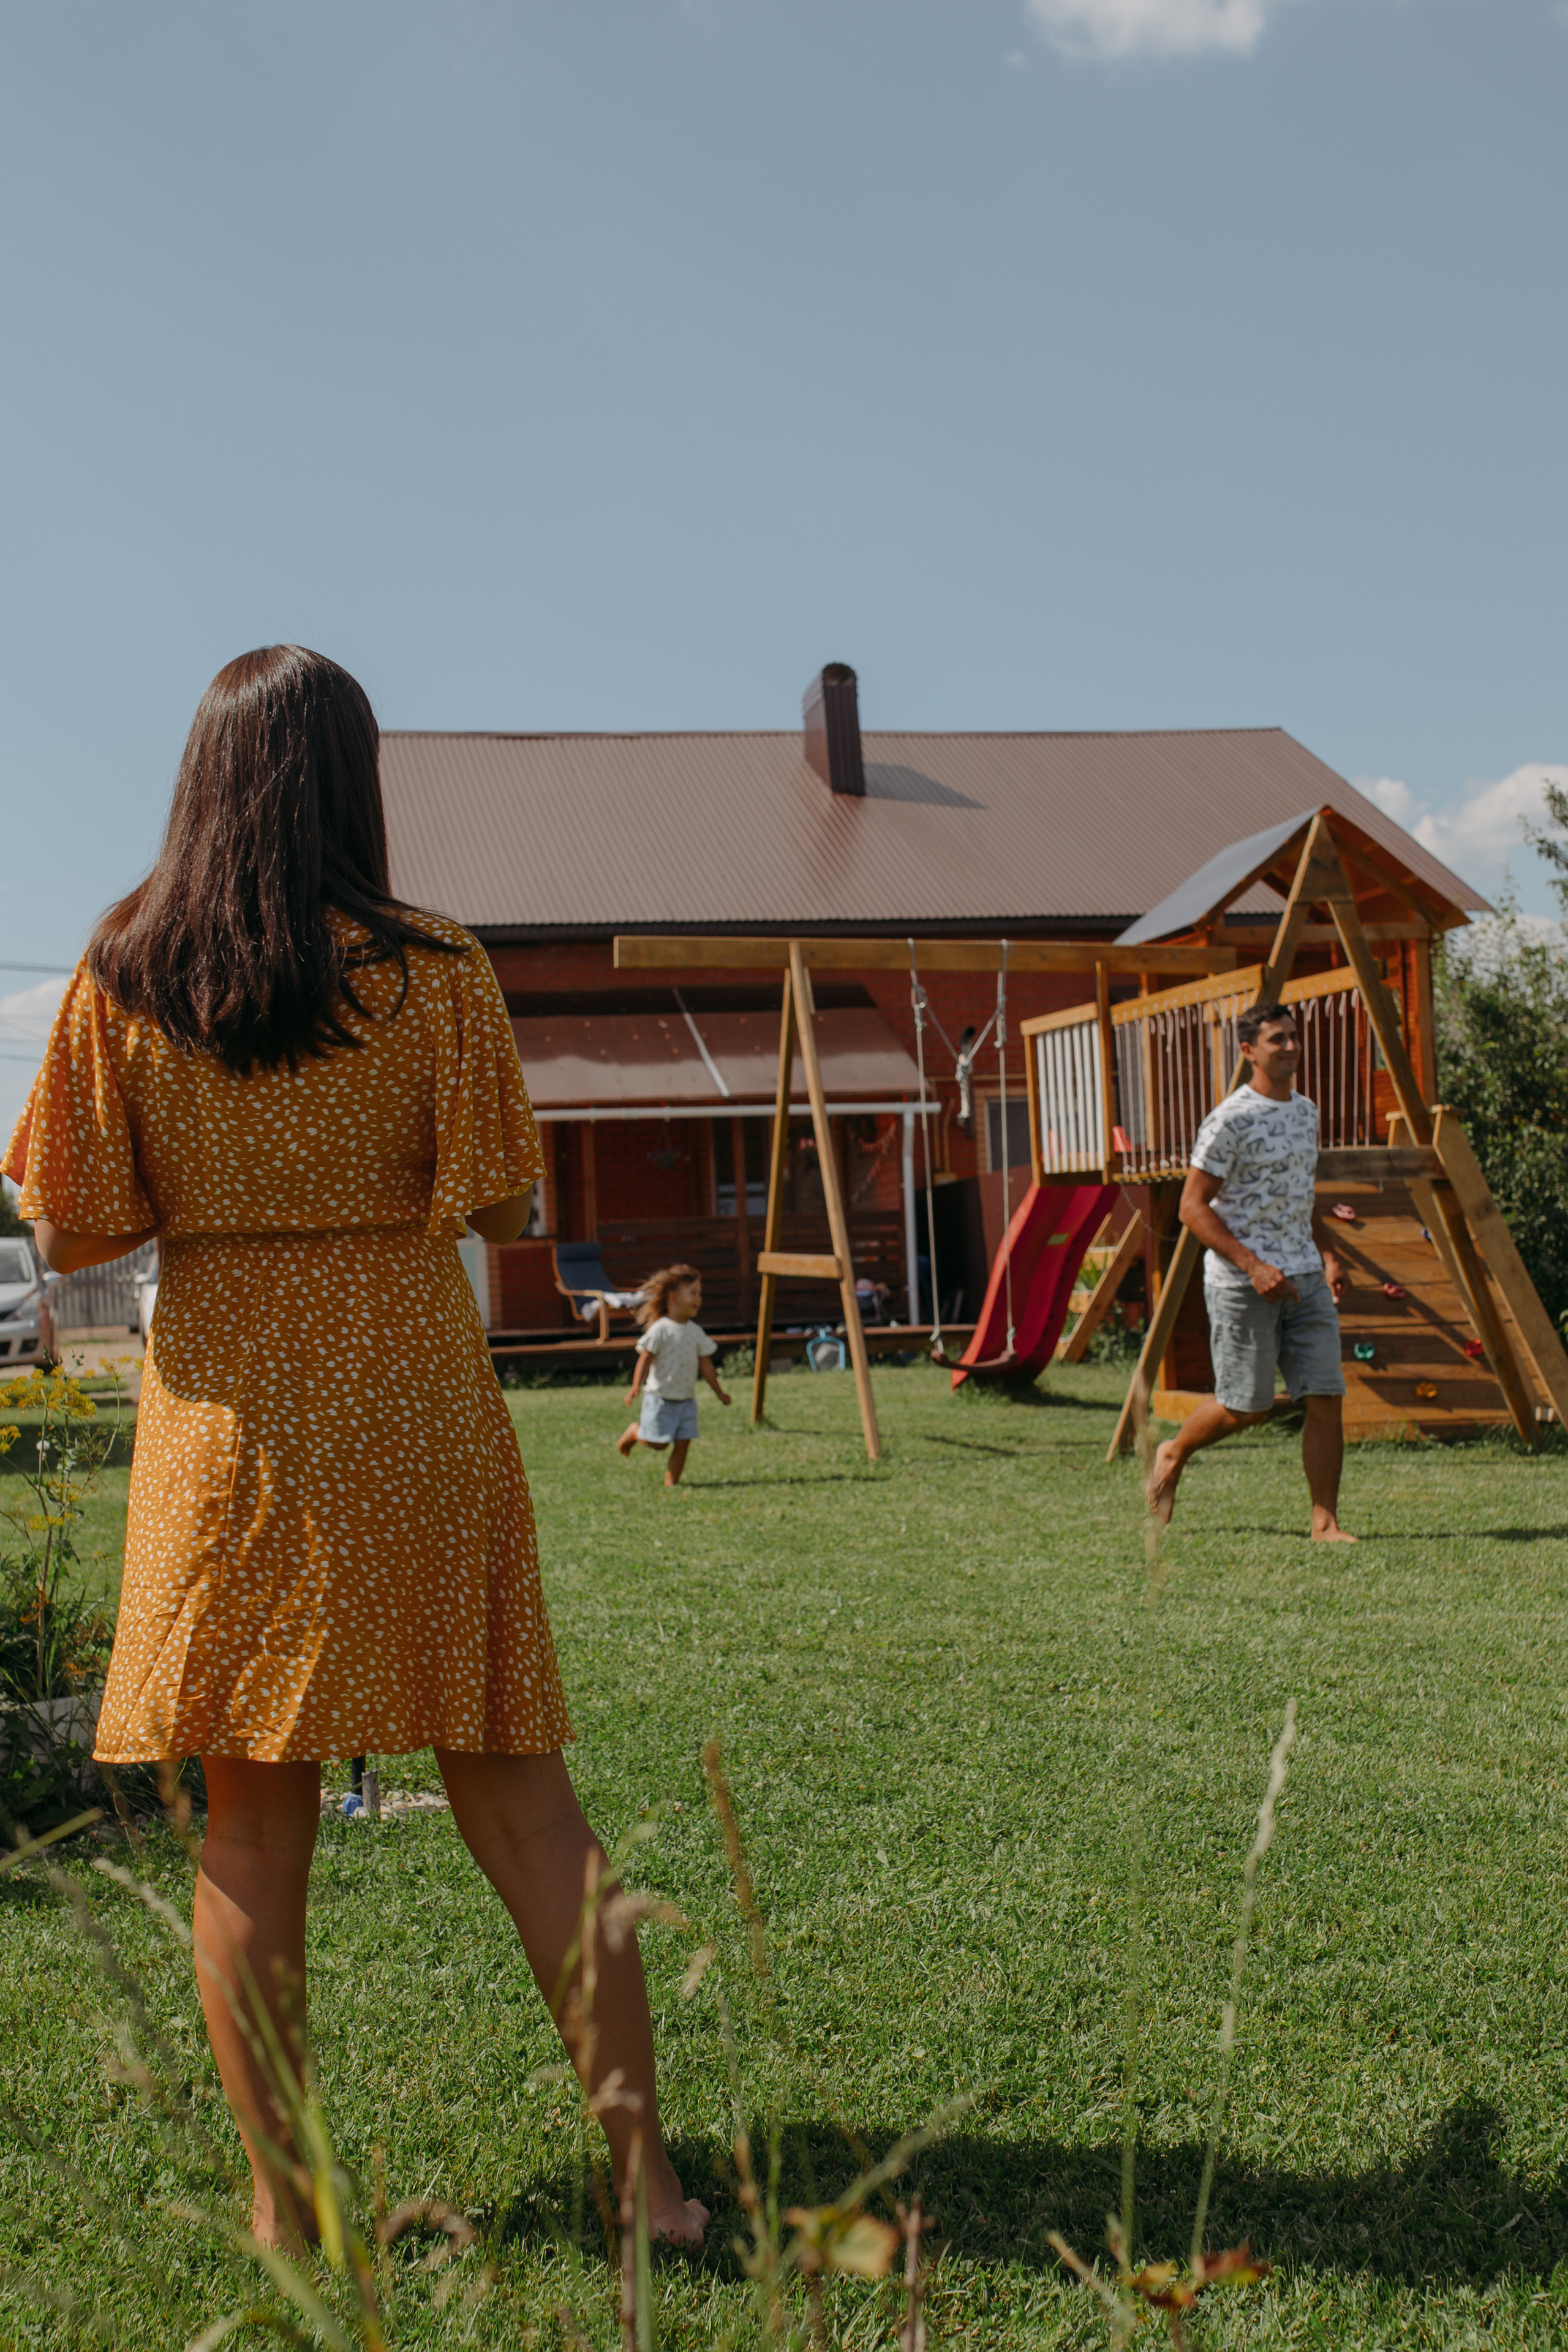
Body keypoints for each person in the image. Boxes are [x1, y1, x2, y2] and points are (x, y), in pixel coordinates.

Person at [2, 646, 707, 2252]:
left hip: (226, 1420)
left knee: (251, 1827)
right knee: (528, 1807)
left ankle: (288, 2206)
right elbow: (504, 1207)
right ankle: (652, 2191)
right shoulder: (437, 968)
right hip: (407, 1393)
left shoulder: (121, 975)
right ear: (350, 778)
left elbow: (79, 1220)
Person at [1145, 999, 1355, 1541]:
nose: (1290, 1047)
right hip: (1244, 1285)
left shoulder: (1305, 1112)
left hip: (1305, 1278)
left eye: (1292, 1036)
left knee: (1326, 1396)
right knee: (1247, 1407)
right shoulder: (1230, 1119)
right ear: (1249, 1051)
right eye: (1276, 1040)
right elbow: (1193, 1208)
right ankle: (1176, 1447)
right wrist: (1253, 1265)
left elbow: (1300, 1194)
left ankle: (1325, 1522)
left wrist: (1328, 1254)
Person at [616, 1265, 730, 1486]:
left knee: (683, 1442)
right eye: (693, 1293)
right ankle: (635, 1433)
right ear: (673, 1297)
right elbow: (646, 1359)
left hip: (687, 1401)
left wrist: (720, 1393)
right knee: (658, 1444)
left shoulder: (695, 1332)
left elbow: (706, 1365)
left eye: (700, 1293)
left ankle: (672, 1484)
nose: (699, 1299)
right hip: (660, 1399)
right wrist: (636, 1386)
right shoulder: (661, 1329)